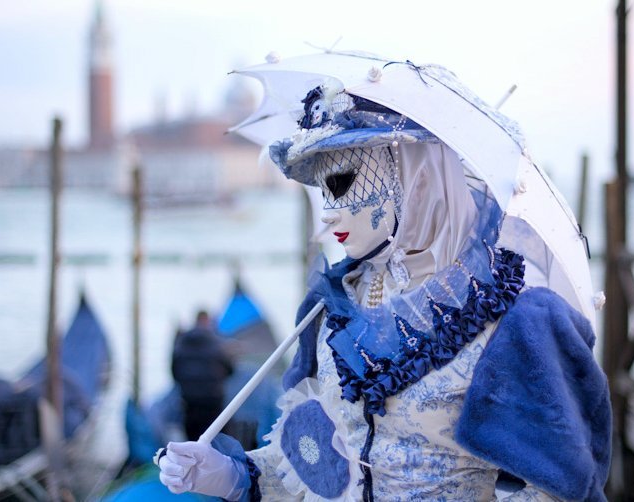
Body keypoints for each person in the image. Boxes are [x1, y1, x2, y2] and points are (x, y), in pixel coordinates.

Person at [158, 83, 611, 501]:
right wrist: (233, 476)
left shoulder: (506, 320)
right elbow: (318, 470)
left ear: (415, 181)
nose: (329, 217)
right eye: (323, 193)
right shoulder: (334, 308)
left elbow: (557, 491)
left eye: (343, 185)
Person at [171, 310, 235, 441]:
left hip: (189, 403)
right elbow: (230, 370)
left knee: (192, 444)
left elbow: (174, 372)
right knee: (218, 443)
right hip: (213, 402)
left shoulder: (181, 342)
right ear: (208, 322)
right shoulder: (216, 342)